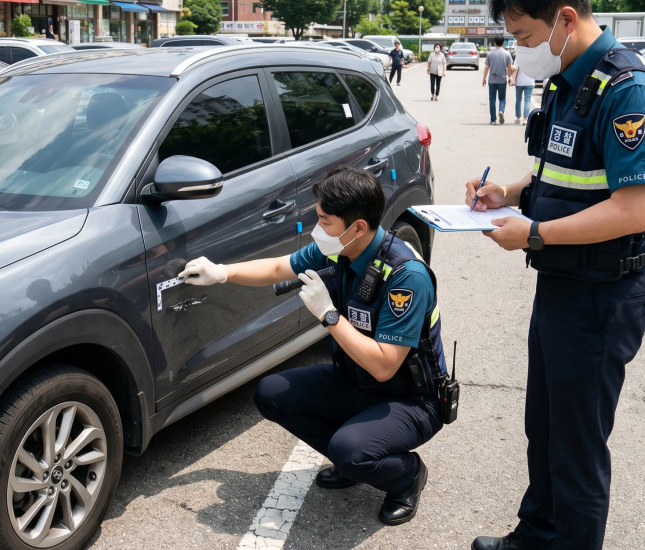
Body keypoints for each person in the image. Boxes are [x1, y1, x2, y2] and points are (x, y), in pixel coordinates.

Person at [465, 0, 645, 550]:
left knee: (578, 447)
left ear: (564, 18)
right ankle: (539, 533)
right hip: (560, 286)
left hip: (600, 296)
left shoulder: (628, 91)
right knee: (546, 428)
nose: (521, 49)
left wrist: (535, 234)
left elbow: (632, 209)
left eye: (525, 36)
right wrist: (508, 193)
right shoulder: (570, 84)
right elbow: (561, 174)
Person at [179, 167, 448, 526]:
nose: (317, 229)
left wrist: (329, 315)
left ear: (358, 228)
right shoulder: (341, 249)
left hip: (410, 398)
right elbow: (278, 268)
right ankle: (356, 461)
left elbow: (385, 366)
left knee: (349, 450)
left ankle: (406, 475)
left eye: (325, 221)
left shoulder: (405, 277)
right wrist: (222, 273)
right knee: (272, 393)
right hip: (356, 379)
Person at [482, 36, 512, 124]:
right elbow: (509, 67)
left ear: (494, 43)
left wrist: (484, 78)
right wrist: (510, 77)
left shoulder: (490, 54)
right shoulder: (507, 54)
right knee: (502, 98)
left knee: (492, 99)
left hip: (492, 80)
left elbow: (486, 67)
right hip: (502, 79)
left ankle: (493, 120)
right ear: (503, 43)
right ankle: (501, 111)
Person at [510, 58, 536, 124]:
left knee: (518, 100)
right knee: (527, 100)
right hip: (530, 82)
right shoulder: (533, 56)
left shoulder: (519, 57)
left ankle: (518, 118)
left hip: (519, 82)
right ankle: (525, 119)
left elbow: (514, 68)